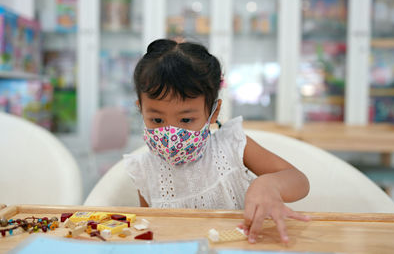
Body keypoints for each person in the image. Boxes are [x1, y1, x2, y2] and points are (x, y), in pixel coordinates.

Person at [124, 38, 310, 244]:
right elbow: (149, 230)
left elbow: (299, 180)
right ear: (141, 109)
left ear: (214, 112)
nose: (171, 133)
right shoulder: (145, 170)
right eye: (157, 120)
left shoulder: (232, 145)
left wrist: (269, 184)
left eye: (186, 120)